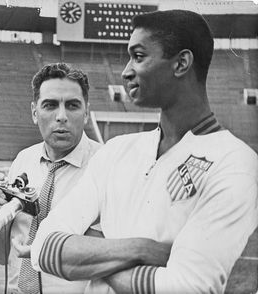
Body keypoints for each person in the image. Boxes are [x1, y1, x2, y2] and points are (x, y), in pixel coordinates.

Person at [30, 10, 258, 294]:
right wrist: (144, 249)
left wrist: (94, 256)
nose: (126, 71)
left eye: (138, 56)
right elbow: (42, 246)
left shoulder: (236, 164)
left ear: (181, 63)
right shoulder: (116, 151)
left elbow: (187, 287)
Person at [0, 63, 103, 294]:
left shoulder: (105, 165)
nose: (61, 117)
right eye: (50, 105)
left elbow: (107, 254)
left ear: (87, 112)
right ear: (34, 112)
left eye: (72, 105)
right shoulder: (23, 160)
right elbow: (2, 256)